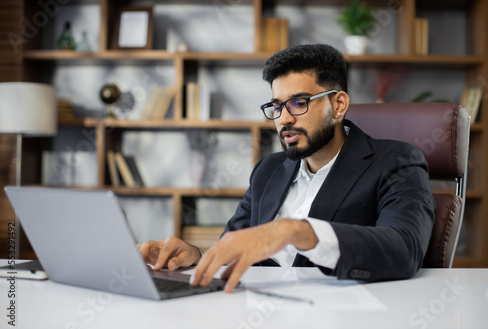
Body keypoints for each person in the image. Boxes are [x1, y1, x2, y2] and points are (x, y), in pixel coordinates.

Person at [139, 44, 435, 293]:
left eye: (299, 103)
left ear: (339, 105)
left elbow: (403, 249)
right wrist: (195, 258)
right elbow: (236, 249)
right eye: (277, 106)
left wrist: (295, 231)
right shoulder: (268, 169)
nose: (284, 120)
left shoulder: (397, 161)